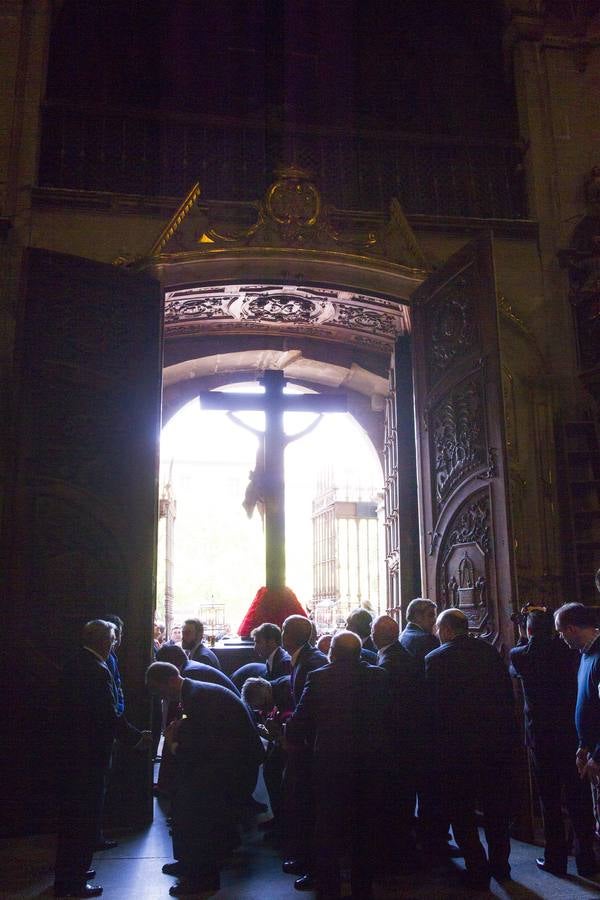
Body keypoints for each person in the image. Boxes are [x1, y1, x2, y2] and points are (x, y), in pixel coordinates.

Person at [286, 631, 391, 899]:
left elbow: (298, 725)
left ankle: (329, 888)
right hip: (370, 766)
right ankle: (363, 889)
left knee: (327, 830)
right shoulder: (378, 677)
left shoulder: (320, 678)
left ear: (332, 652)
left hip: (330, 767)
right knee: (365, 830)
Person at [146, 661, 264, 896]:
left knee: (197, 816)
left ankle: (202, 877)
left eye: (158, 689)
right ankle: (189, 864)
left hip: (232, 766)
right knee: (184, 804)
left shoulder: (197, 697)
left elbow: (203, 746)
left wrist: (173, 744)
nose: (160, 696)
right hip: (223, 762)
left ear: (170, 681)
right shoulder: (194, 692)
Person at [425, 609, 516, 890]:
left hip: (456, 752)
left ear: (448, 630)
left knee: (461, 813)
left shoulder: (435, 660)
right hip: (493, 748)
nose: (436, 634)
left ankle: (477, 868)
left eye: (438, 629)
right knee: (495, 812)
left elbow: (432, 710)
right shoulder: (489, 652)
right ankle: (501, 866)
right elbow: (505, 697)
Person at [510, 607, 597, 877]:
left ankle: (555, 857)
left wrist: (523, 632)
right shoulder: (570, 652)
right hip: (570, 736)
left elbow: (517, 662)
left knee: (549, 800)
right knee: (578, 798)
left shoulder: (520, 655)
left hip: (540, 739)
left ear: (529, 630)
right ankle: (586, 859)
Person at [54, 620, 118, 898]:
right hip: (89, 759)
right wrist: (134, 737)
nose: (114, 645)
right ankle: (74, 882)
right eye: (113, 641)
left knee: (71, 822)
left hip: (72, 756)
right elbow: (107, 714)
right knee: (83, 822)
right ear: (104, 641)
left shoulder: (73, 663)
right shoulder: (96, 670)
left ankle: (69, 874)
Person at [278, 615, 328, 888]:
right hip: (306, 745)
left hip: (310, 749)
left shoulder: (312, 662)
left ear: (290, 635)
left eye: (284, 629)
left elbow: (310, 708)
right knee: (302, 805)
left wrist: (291, 733)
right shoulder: (305, 658)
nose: (282, 633)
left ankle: (314, 866)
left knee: (310, 808)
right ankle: (304, 858)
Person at [371, 615, 423, 871]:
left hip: (397, 742)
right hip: (409, 740)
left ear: (377, 636)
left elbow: (389, 707)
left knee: (396, 798)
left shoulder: (389, 662)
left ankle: (397, 853)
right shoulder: (399, 656)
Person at [555, 601, 600, 871]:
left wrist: (597, 754)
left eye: (561, 632)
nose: (561, 638)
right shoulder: (585, 654)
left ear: (572, 629)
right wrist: (583, 746)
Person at [400, 598, 439, 664]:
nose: (434, 620)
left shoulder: (401, 636)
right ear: (418, 616)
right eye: (431, 615)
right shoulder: (428, 639)